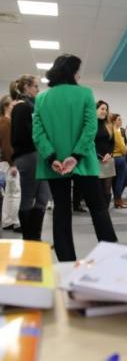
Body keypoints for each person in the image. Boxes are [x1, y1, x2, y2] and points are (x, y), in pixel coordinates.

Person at [32, 54, 118, 261]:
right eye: (78, 70)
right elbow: (90, 127)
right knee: (97, 207)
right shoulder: (85, 94)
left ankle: (66, 262)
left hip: (54, 165)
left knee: (61, 211)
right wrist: (76, 155)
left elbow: (37, 132)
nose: (80, 75)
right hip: (83, 161)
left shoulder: (41, 98)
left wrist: (51, 156)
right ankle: (112, 257)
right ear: (72, 72)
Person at [10, 75, 50, 240]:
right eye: (35, 86)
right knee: (28, 198)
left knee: (43, 198)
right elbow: (21, 135)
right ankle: (28, 239)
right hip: (28, 155)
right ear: (26, 87)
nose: (38, 90)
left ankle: (36, 238)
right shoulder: (21, 108)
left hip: (40, 155)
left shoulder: (33, 107)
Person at [0, 95, 21, 232]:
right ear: (6, 106)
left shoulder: (2, 121)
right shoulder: (7, 122)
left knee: (8, 193)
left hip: (4, 162)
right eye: (13, 106)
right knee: (15, 192)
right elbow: (7, 146)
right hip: (9, 162)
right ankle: (14, 221)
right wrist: (13, 163)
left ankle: (7, 220)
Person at [95, 100, 115, 209]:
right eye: (102, 109)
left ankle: (105, 210)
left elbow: (112, 143)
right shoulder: (91, 125)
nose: (104, 111)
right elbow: (89, 143)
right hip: (95, 159)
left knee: (107, 187)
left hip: (108, 159)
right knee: (97, 188)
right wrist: (97, 155)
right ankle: (99, 209)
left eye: (106, 110)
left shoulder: (109, 125)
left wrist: (109, 154)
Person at [111, 113, 127, 209]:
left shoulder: (112, 131)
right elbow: (123, 148)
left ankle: (117, 200)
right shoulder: (116, 132)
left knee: (116, 181)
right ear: (114, 121)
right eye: (119, 119)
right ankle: (118, 199)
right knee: (123, 180)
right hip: (120, 158)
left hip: (114, 158)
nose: (121, 121)